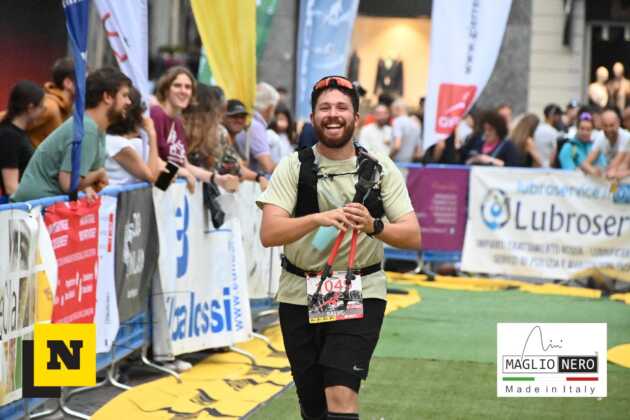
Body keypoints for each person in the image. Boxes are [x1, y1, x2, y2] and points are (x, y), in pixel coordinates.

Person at [257, 75, 421, 420]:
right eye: (325, 108)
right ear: (312, 117)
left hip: (359, 287)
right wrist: (318, 219)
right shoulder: (293, 166)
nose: (333, 114)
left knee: (340, 390)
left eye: (342, 107)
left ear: (356, 118)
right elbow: (269, 233)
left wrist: (374, 226)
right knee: (314, 403)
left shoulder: (380, 168)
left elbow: (412, 236)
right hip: (298, 290)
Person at [12, 68, 132, 202]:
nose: (129, 101)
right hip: (33, 209)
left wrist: (87, 186)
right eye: (124, 95)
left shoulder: (95, 128)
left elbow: (78, 176)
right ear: (107, 97)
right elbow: (69, 183)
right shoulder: (87, 129)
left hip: (43, 206)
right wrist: (99, 174)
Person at [150, 66, 239, 192]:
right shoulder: (157, 114)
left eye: (188, 87)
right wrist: (183, 172)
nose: (183, 91)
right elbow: (149, 157)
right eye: (177, 86)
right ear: (166, 89)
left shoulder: (177, 122)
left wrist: (218, 179)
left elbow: (185, 164)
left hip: (166, 191)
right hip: (152, 191)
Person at [184, 86, 268, 189]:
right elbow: (180, 164)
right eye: (234, 116)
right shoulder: (181, 128)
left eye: (242, 116)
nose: (239, 120)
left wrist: (258, 177)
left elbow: (233, 167)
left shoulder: (220, 133)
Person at [105, 86, 165, 186]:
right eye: (141, 112)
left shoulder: (136, 143)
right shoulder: (119, 144)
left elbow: (168, 174)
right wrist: (152, 134)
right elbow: (153, 177)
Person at [0, 81, 44, 201]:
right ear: (30, 107)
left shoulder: (19, 133)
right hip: (18, 207)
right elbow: (11, 187)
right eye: (41, 107)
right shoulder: (9, 136)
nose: (42, 111)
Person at [24, 58, 76, 148]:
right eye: (84, 81)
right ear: (68, 83)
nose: (88, 86)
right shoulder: (50, 106)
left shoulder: (67, 110)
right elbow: (9, 119)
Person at [235, 82, 279, 174]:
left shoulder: (251, 122)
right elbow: (268, 166)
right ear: (270, 108)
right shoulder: (255, 126)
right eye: (274, 109)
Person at [581, 109, 630, 177]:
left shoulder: (626, 137)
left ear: (618, 123)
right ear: (601, 125)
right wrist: (592, 170)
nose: (608, 129)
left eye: (611, 125)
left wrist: (606, 171)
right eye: (605, 125)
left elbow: (618, 165)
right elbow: (585, 163)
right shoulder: (600, 137)